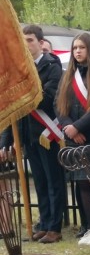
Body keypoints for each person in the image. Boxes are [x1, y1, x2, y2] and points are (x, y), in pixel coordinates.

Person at [0, 25, 65, 243]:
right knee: (39, 181)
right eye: (23, 40)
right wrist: (8, 140)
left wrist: (26, 92)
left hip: (47, 133)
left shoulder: (52, 66)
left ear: (40, 42)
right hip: (28, 133)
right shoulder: (21, 69)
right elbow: (14, 108)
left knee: (53, 180)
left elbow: (49, 98)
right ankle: (44, 223)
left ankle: (55, 227)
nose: (26, 44)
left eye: (30, 40)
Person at [55, 32, 90, 246]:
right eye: (75, 48)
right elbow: (58, 105)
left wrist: (78, 126)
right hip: (74, 139)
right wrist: (69, 127)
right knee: (82, 184)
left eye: (82, 47)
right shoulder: (67, 77)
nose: (77, 51)